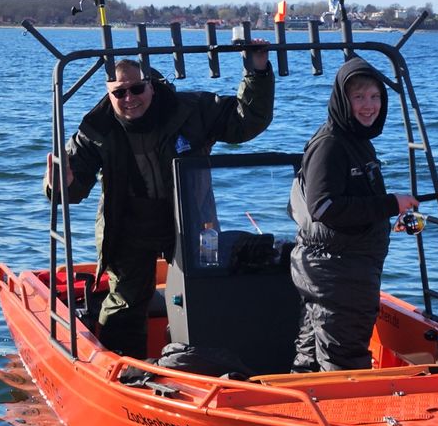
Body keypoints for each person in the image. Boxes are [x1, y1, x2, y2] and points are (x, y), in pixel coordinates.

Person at [45, 46, 273, 358]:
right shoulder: (95, 129)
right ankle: (123, 371)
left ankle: (210, 362)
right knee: (125, 302)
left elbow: (247, 121)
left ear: (151, 84)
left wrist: (257, 72)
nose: (130, 98)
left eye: (137, 88)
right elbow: (72, 188)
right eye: (120, 92)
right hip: (128, 223)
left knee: (206, 289)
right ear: (108, 93)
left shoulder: (191, 109)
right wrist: (60, 185)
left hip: (192, 219)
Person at [288, 57, 418, 372]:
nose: (368, 105)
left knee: (311, 359)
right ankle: (348, 420)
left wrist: (388, 215)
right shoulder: (331, 143)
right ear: (343, 100)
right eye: (358, 97)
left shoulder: (358, 140)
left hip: (347, 267)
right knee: (343, 363)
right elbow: (324, 208)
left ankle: (297, 413)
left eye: (374, 97)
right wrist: (388, 205)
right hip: (335, 273)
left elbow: (355, 201)